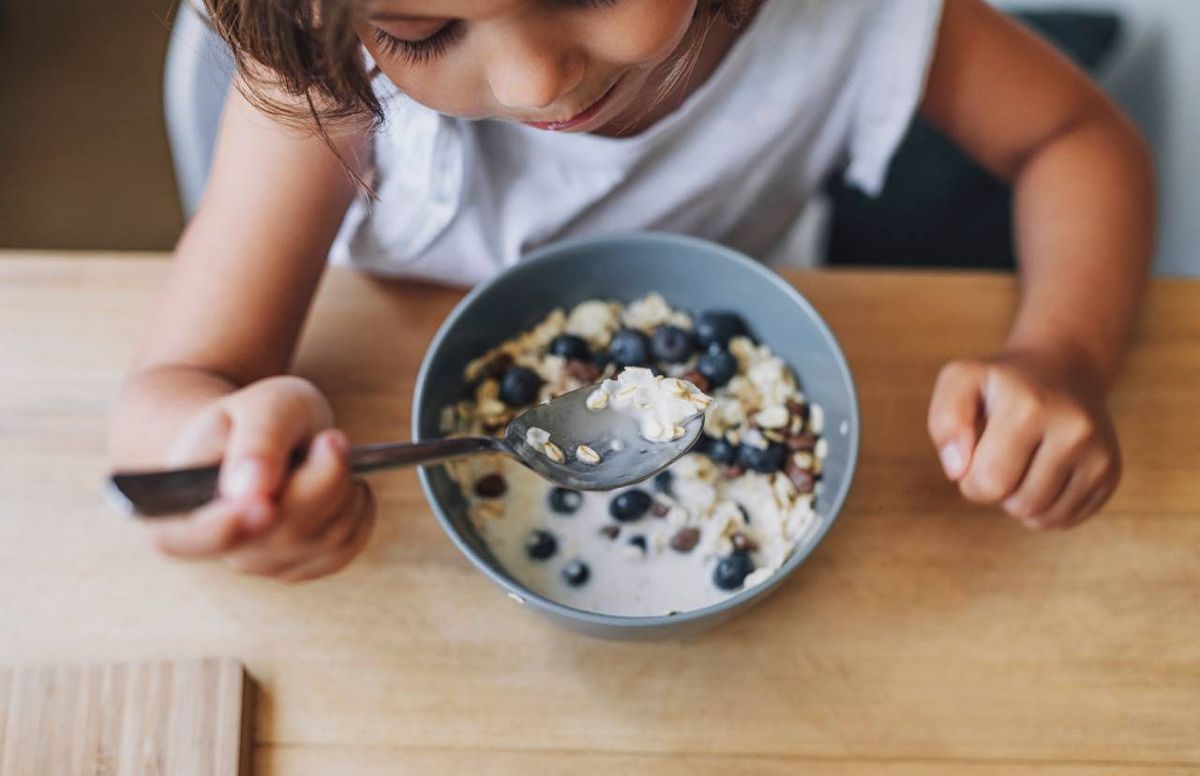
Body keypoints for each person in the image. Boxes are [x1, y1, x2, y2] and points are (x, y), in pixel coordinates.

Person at [109, 0, 1155, 582]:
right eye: (421, 33)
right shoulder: (334, 71)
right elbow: (179, 384)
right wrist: (216, 465)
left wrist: (1060, 354)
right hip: (396, 367)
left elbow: (1080, 141)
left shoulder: (848, 18)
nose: (532, 83)